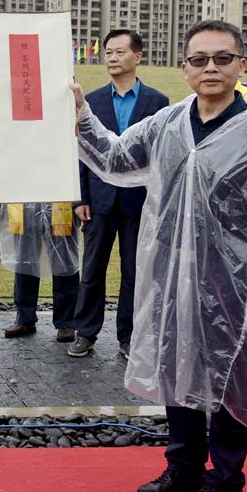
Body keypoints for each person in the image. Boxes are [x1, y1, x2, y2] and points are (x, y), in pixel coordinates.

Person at [72, 19, 247, 492]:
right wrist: (81, 114)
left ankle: (225, 481)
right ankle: (184, 467)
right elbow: (113, 157)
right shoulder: (169, 123)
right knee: (178, 371)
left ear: (242, 65)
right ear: (184, 69)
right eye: (199, 60)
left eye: (222, 58)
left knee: (227, 380)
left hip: (233, 282)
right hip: (172, 270)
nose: (211, 68)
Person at [69, 30, 169, 360]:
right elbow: (81, 151)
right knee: (92, 269)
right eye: (108, 52)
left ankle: (128, 337)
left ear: (137, 56)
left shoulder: (157, 102)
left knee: (134, 272)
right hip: (97, 201)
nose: (112, 58)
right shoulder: (92, 100)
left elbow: (159, 157)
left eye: (119, 52)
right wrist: (80, 198)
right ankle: (85, 332)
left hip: (138, 203)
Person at [0, 203, 80, 341]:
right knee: (24, 262)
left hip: (61, 202)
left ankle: (66, 322)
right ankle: (24, 319)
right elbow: (3, 181)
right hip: (21, 204)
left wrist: (80, 205)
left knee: (64, 261)